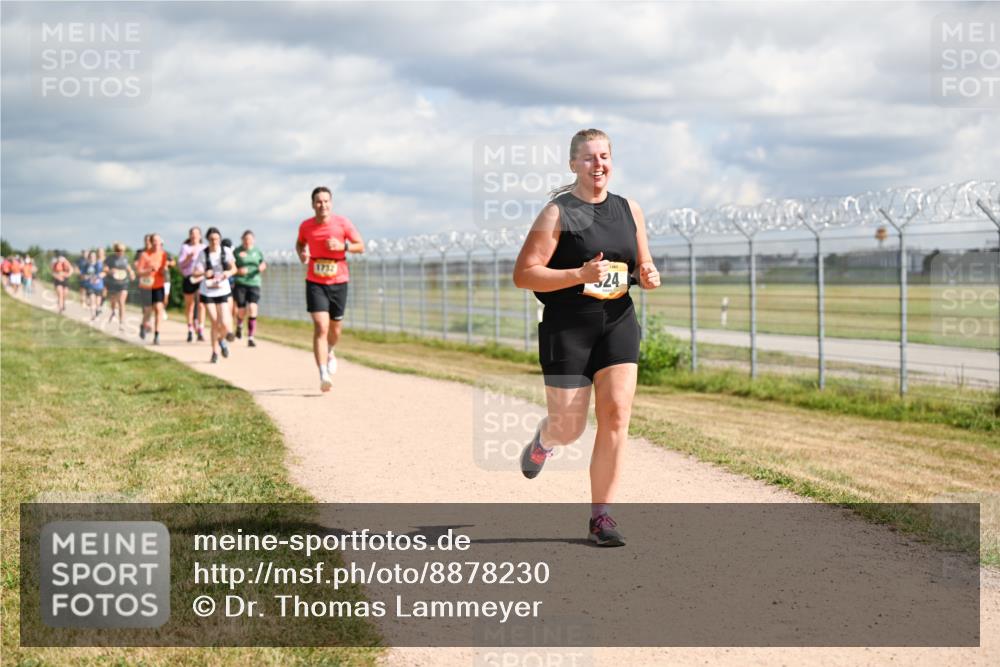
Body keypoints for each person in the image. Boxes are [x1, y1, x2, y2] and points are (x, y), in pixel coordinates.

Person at [512, 129, 661, 547]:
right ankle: (545, 441)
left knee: (616, 413)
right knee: (569, 426)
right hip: (567, 326)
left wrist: (648, 275)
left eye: (605, 157)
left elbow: (643, 265)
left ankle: (601, 517)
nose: (599, 165)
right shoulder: (557, 213)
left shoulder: (629, 209)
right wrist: (579, 274)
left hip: (617, 320)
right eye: (590, 158)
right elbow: (524, 274)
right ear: (573, 164)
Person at [295, 186, 365, 392]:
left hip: (339, 280)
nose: (322, 205)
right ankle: (323, 373)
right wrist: (302, 253)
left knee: (335, 329)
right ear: (312, 204)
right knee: (321, 327)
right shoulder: (306, 226)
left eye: (326, 201)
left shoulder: (343, 223)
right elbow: (299, 244)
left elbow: (360, 246)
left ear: (331, 203)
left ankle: (331, 350)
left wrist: (343, 246)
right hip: (315, 281)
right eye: (318, 201)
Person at [193, 227, 237, 363]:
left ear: (220, 239)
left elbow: (234, 268)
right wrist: (203, 273)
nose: (214, 242)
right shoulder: (203, 254)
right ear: (207, 240)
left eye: (217, 239)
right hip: (208, 291)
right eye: (211, 239)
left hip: (222, 289)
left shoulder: (226, 251)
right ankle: (215, 352)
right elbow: (195, 272)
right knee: (214, 322)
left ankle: (222, 340)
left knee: (224, 321)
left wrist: (227, 273)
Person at [233, 230, 267, 347]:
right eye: (246, 239)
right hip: (241, 282)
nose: (248, 241)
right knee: (241, 310)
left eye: (250, 239)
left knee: (253, 308)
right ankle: (239, 325)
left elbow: (263, 263)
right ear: (242, 239)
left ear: (253, 240)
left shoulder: (257, 251)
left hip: (254, 282)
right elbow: (231, 267)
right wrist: (238, 271)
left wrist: (262, 267)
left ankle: (251, 337)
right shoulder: (237, 252)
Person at [135, 233, 169, 345]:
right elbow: (139, 272)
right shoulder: (145, 255)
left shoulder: (163, 254)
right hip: (147, 286)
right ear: (150, 242)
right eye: (153, 241)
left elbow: (164, 270)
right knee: (148, 310)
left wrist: (164, 271)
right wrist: (149, 270)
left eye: (158, 241)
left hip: (159, 285)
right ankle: (143, 325)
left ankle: (157, 334)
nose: (156, 243)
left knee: (159, 309)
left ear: (161, 242)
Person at [177, 227, 207, 342]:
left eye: (196, 234)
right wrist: (188, 258)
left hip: (201, 278)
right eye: (192, 234)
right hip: (189, 278)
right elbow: (180, 266)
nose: (194, 236)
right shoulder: (185, 248)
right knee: (190, 305)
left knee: (201, 305)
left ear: (200, 236)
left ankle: (200, 329)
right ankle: (190, 330)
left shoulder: (204, 248)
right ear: (189, 236)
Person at [103, 242, 135, 332]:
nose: (120, 252)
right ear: (115, 250)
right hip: (113, 283)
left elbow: (128, 267)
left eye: (122, 250)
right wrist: (110, 271)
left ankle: (121, 323)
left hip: (124, 283)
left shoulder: (125, 258)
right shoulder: (110, 258)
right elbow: (105, 268)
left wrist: (132, 273)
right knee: (113, 301)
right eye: (118, 250)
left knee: (121, 302)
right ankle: (113, 311)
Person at [83, 250, 104, 319]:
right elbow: (83, 275)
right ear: (89, 257)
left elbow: (104, 273)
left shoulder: (99, 264)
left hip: (99, 286)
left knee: (98, 303)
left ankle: (98, 310)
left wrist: (98, 277)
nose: (92, 257)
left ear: (96, 257)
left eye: (94, 256)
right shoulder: (86, 265)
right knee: (92, 300)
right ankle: (93, 315)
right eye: (91, 256)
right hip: (90, 285)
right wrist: (86, 277)